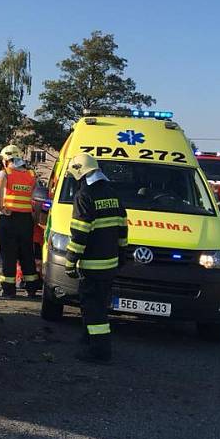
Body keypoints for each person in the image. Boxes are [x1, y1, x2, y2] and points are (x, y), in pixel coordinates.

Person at [64, 153, 128, 364]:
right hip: (110, 264)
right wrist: (122, 255)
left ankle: (99, 352)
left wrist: (71, 261)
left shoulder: (84, 196)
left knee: (93, 309)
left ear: (80, 172)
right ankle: (88, 340)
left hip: (92, 265)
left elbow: (80, 233)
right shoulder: (113, 194)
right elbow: (122, 229)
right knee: (98, 305)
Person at [0, 145, 40, 297]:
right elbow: (35, 197)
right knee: (27, 253)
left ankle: (9, 289)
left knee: (8, 254)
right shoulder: (31, 174)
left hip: (9, 218)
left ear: (6, 159)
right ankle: (32, 287)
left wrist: (1, 207)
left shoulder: (4, 173)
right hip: (26, 219)